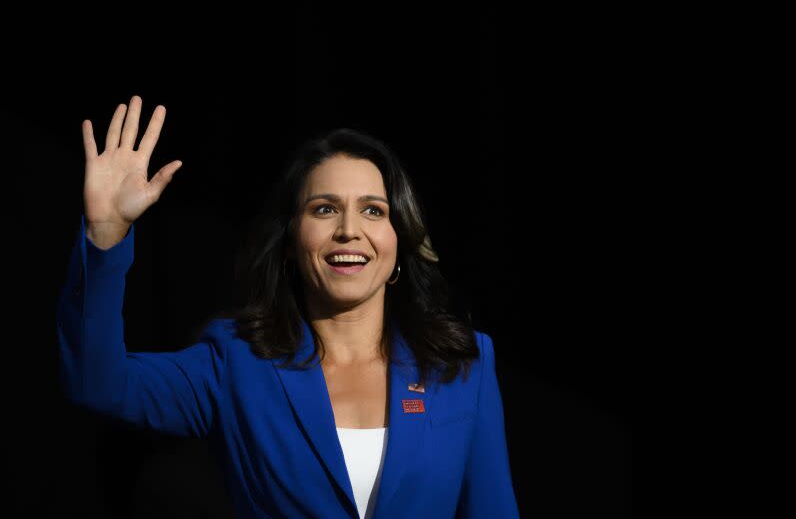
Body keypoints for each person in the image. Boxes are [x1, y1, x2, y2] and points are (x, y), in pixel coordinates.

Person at [56, 95, 520, 518]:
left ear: (400, 240)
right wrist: (106, 234)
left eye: (374, 210)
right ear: (291, 245)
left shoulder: (462, 367)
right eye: (324, 209)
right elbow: (96, 383)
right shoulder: (234, 361)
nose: (349, 230)